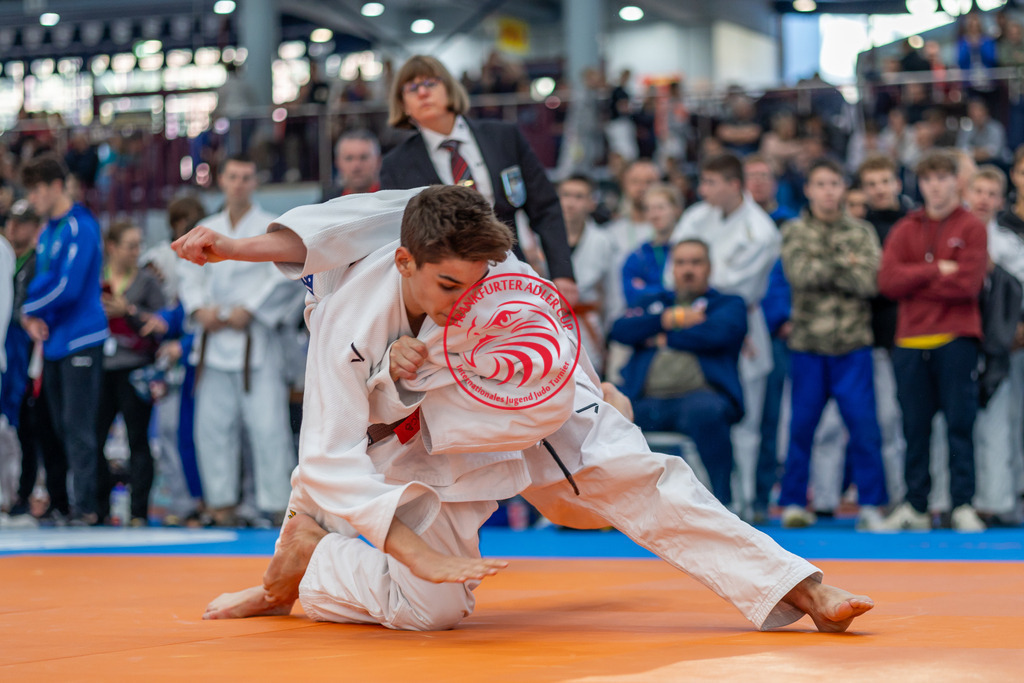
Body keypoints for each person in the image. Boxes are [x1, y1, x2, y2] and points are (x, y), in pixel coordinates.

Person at [174, 185, 874, 634]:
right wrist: (233, 248)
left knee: (639, 474)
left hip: (524, 394)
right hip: (419, 430)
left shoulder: (491, 267)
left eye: (474, 283)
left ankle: (798, 582)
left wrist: (596, 388)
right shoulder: (346, 321)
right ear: (404, 260)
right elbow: (326, 454)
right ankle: (314, 560)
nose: (461, 297)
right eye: (447, 284)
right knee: (434, 609)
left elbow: (551, 330)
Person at [379, 55, 577, 305]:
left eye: (430, 83)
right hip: (446, 292)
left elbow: (545, 207)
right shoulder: (397, 164)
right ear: (403, 104)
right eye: (412, 88)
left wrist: (562, 273)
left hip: (512, 274)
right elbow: (396, 237)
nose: (422, 93)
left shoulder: (503, 137)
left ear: (450, 90)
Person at [176, 155, 302, 526]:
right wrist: (200, 310)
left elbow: (284, 276)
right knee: (213, 428)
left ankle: (279, 505)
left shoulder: (271, 227)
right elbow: (188, 275)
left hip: (256, 340)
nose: (240, 183)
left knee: (269, 427)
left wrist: (252, 308)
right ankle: (221, 505)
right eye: (233, 177)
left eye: (247, 177)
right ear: (222, 181)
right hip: (213, 343)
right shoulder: (207, 227)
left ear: (255, 183)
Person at [875, 150, 988, 532]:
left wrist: (915, 281)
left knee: (960, 425)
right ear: (919, 184)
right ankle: (916, 505)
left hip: (957, 338)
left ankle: (962, 504)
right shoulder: (905, 227)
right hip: (909, 340)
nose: (935, 186)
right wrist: (936, 269)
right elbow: (888, 282)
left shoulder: (972, 226)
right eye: (928, 179)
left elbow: (968, 284)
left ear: (956, 181)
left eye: (942, 178)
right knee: (914, 427)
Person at [777, 159, 887, 529]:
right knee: (801, 427)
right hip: (809, 344)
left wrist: (825, 265)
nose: (828, 191)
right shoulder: (793, 232)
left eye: (834, 183)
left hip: (853, 344)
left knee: (864, 427)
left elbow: (870, 282)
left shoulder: (862, 231)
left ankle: (871, 504)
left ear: (844, 188)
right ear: (807, 189)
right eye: (820, 183)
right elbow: (799, 275)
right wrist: (845, 264)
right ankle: (793, 501)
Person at [672, 153, 780, 520]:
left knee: (747, 419)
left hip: (740, 324)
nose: (703, 190)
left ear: (734, 185)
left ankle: (747, 500)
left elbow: (731, 287)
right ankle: (708, 500)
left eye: (710, 182)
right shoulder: (697, 216)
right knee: (703, 407)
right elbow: (678, 264)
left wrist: (701, 303)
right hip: (690, 321)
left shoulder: (760, 230)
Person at [610, 239, 747, 506]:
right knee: (608, 414)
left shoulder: (728, 303)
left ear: (709, 267)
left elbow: (719, 334)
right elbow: (619, 330)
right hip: (646, 401)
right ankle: (606, 507)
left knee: (707, 412)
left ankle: (724, 503)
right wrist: (667, 320)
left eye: (696, 262)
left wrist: (662, 337)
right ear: (672, 269)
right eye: (681, 263)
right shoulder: (654, 302)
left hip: (697, 399)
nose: (688, 270)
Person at [20, 154, 108, 526]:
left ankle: (89, 507)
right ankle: (69, 503)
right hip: (56, 340)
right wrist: (29, 316)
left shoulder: (80, 226)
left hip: (82, 338)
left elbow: (67, 288)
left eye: (37, 190)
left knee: (78, 426)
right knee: (57, 427)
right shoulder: (49, 231)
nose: (33, 199)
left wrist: (27, 309)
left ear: (56, 186)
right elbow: (42, 282)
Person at [93, 220, 166, 525]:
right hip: (100, 368)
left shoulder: (148, 282)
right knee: (94, 439)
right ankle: (97, 509)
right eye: (130, 245)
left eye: (139, 245)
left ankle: (138, 512)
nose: (136, 251)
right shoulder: (95, 279)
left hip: (136, 367)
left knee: (138, 440)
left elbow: (162, 325)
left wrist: (130, 311)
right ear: (112, 246)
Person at [1, 200, 66, 522]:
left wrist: (24, 319)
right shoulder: (8, 256)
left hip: (30, 347)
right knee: (15, 424)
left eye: (23, 223)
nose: (15, 228)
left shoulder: (38, 260)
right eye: (12, 221)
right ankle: (15, 493)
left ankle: (25, 492)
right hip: (11, 345)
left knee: (31, 424)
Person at [966, 165, 1024, 525]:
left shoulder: (1006, 240)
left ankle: (998, 500)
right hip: (957, 337)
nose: (983, 200)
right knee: (955, 425)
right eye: (978, 191)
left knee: (1001, 420)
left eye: (991, 194)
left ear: (1000, 200)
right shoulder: (949, 233)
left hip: (1002, 341)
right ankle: (955, 500)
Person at [858, 155, 916, 505]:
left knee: (919, 420)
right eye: (871, 184)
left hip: (915, 333)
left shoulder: (915, 225)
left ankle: (924, 497)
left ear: (897, 183)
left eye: (884, 181)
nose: (879, 189)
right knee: (886, 421)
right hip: (876, 338)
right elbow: (874, 283)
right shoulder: (858, 231)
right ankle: (896, 496)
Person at [557, 175, 619, 375]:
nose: (570, 203)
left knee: (590, 382)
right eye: (565, 195)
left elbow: (612, 292)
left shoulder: (603, 241)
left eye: (579, 196)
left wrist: (611, 334)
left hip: (587, 323)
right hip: (548, 322)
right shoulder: (539, 238)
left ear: (592, 203)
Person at [621, 184, 682, 308]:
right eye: (649, 209)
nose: (654, 215)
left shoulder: (690, 250)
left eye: (660, 207)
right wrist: (669, 292)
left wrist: (649, 289)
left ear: (676, 209)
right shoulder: (638, 256)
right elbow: (633, 298)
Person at [322, 129, 382, 201]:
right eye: (349, 158)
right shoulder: (324, 207)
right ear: (337, 163)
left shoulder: (394, 202)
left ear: (378, 161)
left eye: (363, 158)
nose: (356, 166)